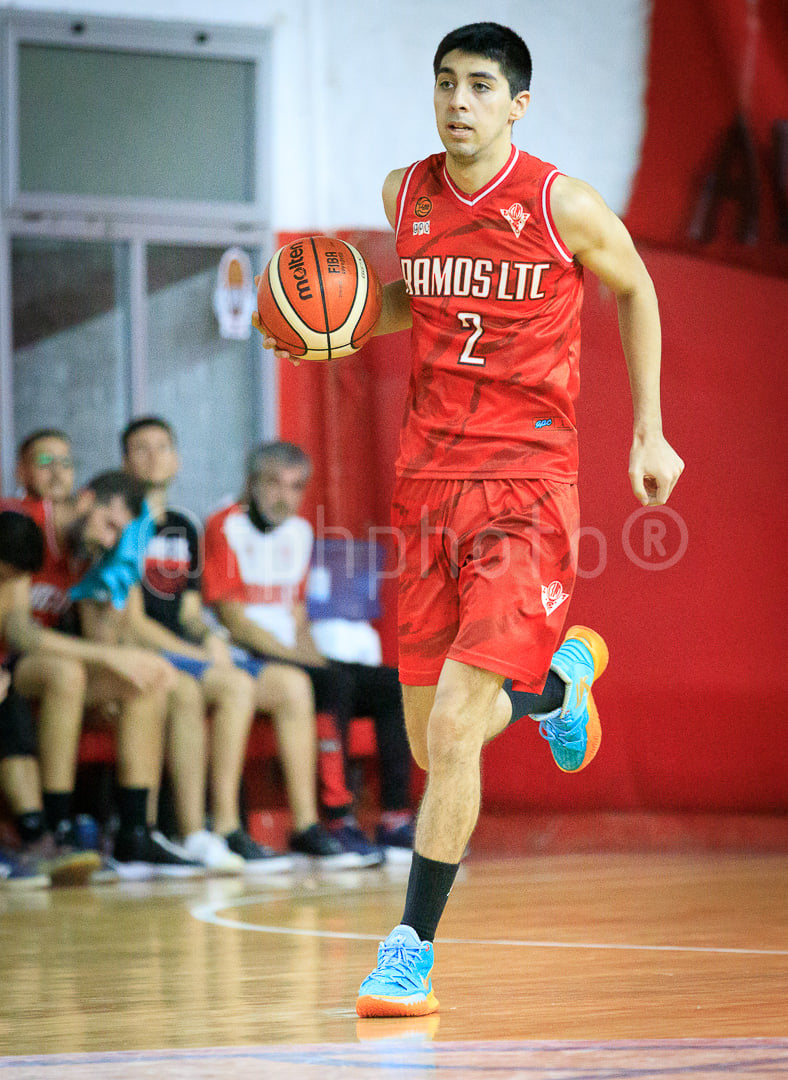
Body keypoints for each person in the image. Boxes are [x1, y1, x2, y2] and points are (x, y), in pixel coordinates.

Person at [256, 22, 684, 1016]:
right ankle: (555, 689)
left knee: (452, 727)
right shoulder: (402, 195)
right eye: (444, 82)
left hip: (525, 490)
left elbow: (636, 289)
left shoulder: (559, 202)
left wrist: (648, 433)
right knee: (431, 736)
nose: (457, 101)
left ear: (515, 104)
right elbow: (424, 303)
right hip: (427, 489)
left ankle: (408, 948)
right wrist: (347, 320)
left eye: (480, 86)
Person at [1, 469, 199, 880]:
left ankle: (134, 834)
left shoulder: (95, 551)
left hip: (57, 662)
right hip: (17, 662)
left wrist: (115, 577)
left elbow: (108, 632)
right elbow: (19, 632)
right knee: (68, 672)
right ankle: (57, 827)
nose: (109, 539)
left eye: (119, 535)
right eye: (109, 526)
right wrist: (107, 657)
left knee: (150, 678)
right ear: (87, 500)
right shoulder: (32, 524)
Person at [120, 415, 295, 873]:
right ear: (125, 461)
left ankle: (232, 827)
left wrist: (211, 638)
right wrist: (199, 655)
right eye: (141, 448)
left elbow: (190, 613)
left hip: (184, 648)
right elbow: (132, 624)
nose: (153, 456)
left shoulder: (183, 524)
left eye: (162, 446)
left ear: (177, 459)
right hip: (146, 651)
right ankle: (198, 828)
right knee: (213, 687)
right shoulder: (118, 522)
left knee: (264, 684)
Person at [202, 442, 389, 868]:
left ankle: (391, 818)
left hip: (287, 654)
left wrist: (314, 658)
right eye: (273, 483)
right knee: (320, 682)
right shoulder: (223, 525)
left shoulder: (301, 532)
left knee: (383, 682)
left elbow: (300, 618)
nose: (284, 496)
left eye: (295, 487)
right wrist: (301, 661)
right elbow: (235, 621)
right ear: (251, 483)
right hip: (241, 655)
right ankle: (332, 817)